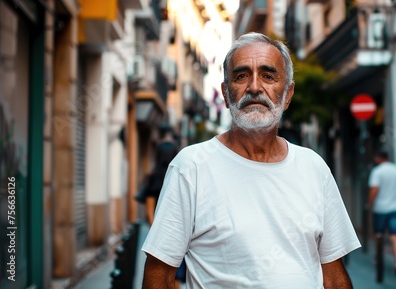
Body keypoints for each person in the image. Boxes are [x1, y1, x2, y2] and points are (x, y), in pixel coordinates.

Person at [141, 32, 360, 288]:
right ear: (225, 93)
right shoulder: (191, 167)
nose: (254, 87)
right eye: (241, 76)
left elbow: (333, 277)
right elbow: (159, 277)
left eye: (268, 76)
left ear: (287, 94)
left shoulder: (314, 168)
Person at [367, 151, 396, 275]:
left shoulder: (377, 171)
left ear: (379, 158)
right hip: (395, 208)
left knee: (379, 235)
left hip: (380, 208)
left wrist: (369, 203)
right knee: (395, 236)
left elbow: (374, 189)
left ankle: (378, 259)